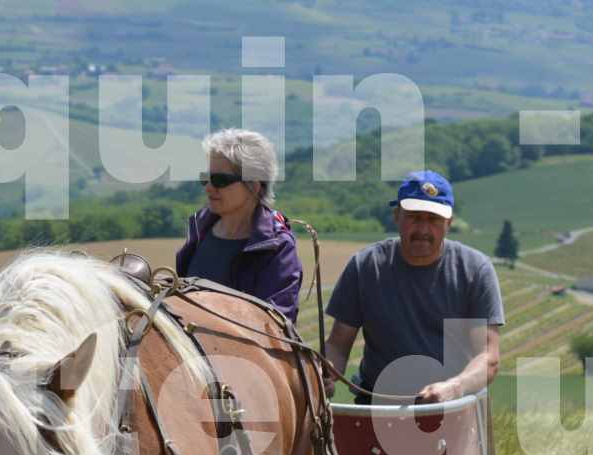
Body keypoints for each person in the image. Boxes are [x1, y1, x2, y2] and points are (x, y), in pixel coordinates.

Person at [323, 170, 504, 404]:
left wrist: (454, 388)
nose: (423, 230)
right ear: (396, 215)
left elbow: (488, 357)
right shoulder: (366, 267)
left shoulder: (474, 271)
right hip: (377, 407)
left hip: (455, 408)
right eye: (414, 217)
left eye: (433, 219)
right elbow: (337, 345)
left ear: (449, 223)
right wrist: (324, 373)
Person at [175, 129, 303, 325]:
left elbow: (274, 326)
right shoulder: (199, 229)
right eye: (206, 178)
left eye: (220, 180)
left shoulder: (277, 248)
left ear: (254, 185)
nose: (209, 187)